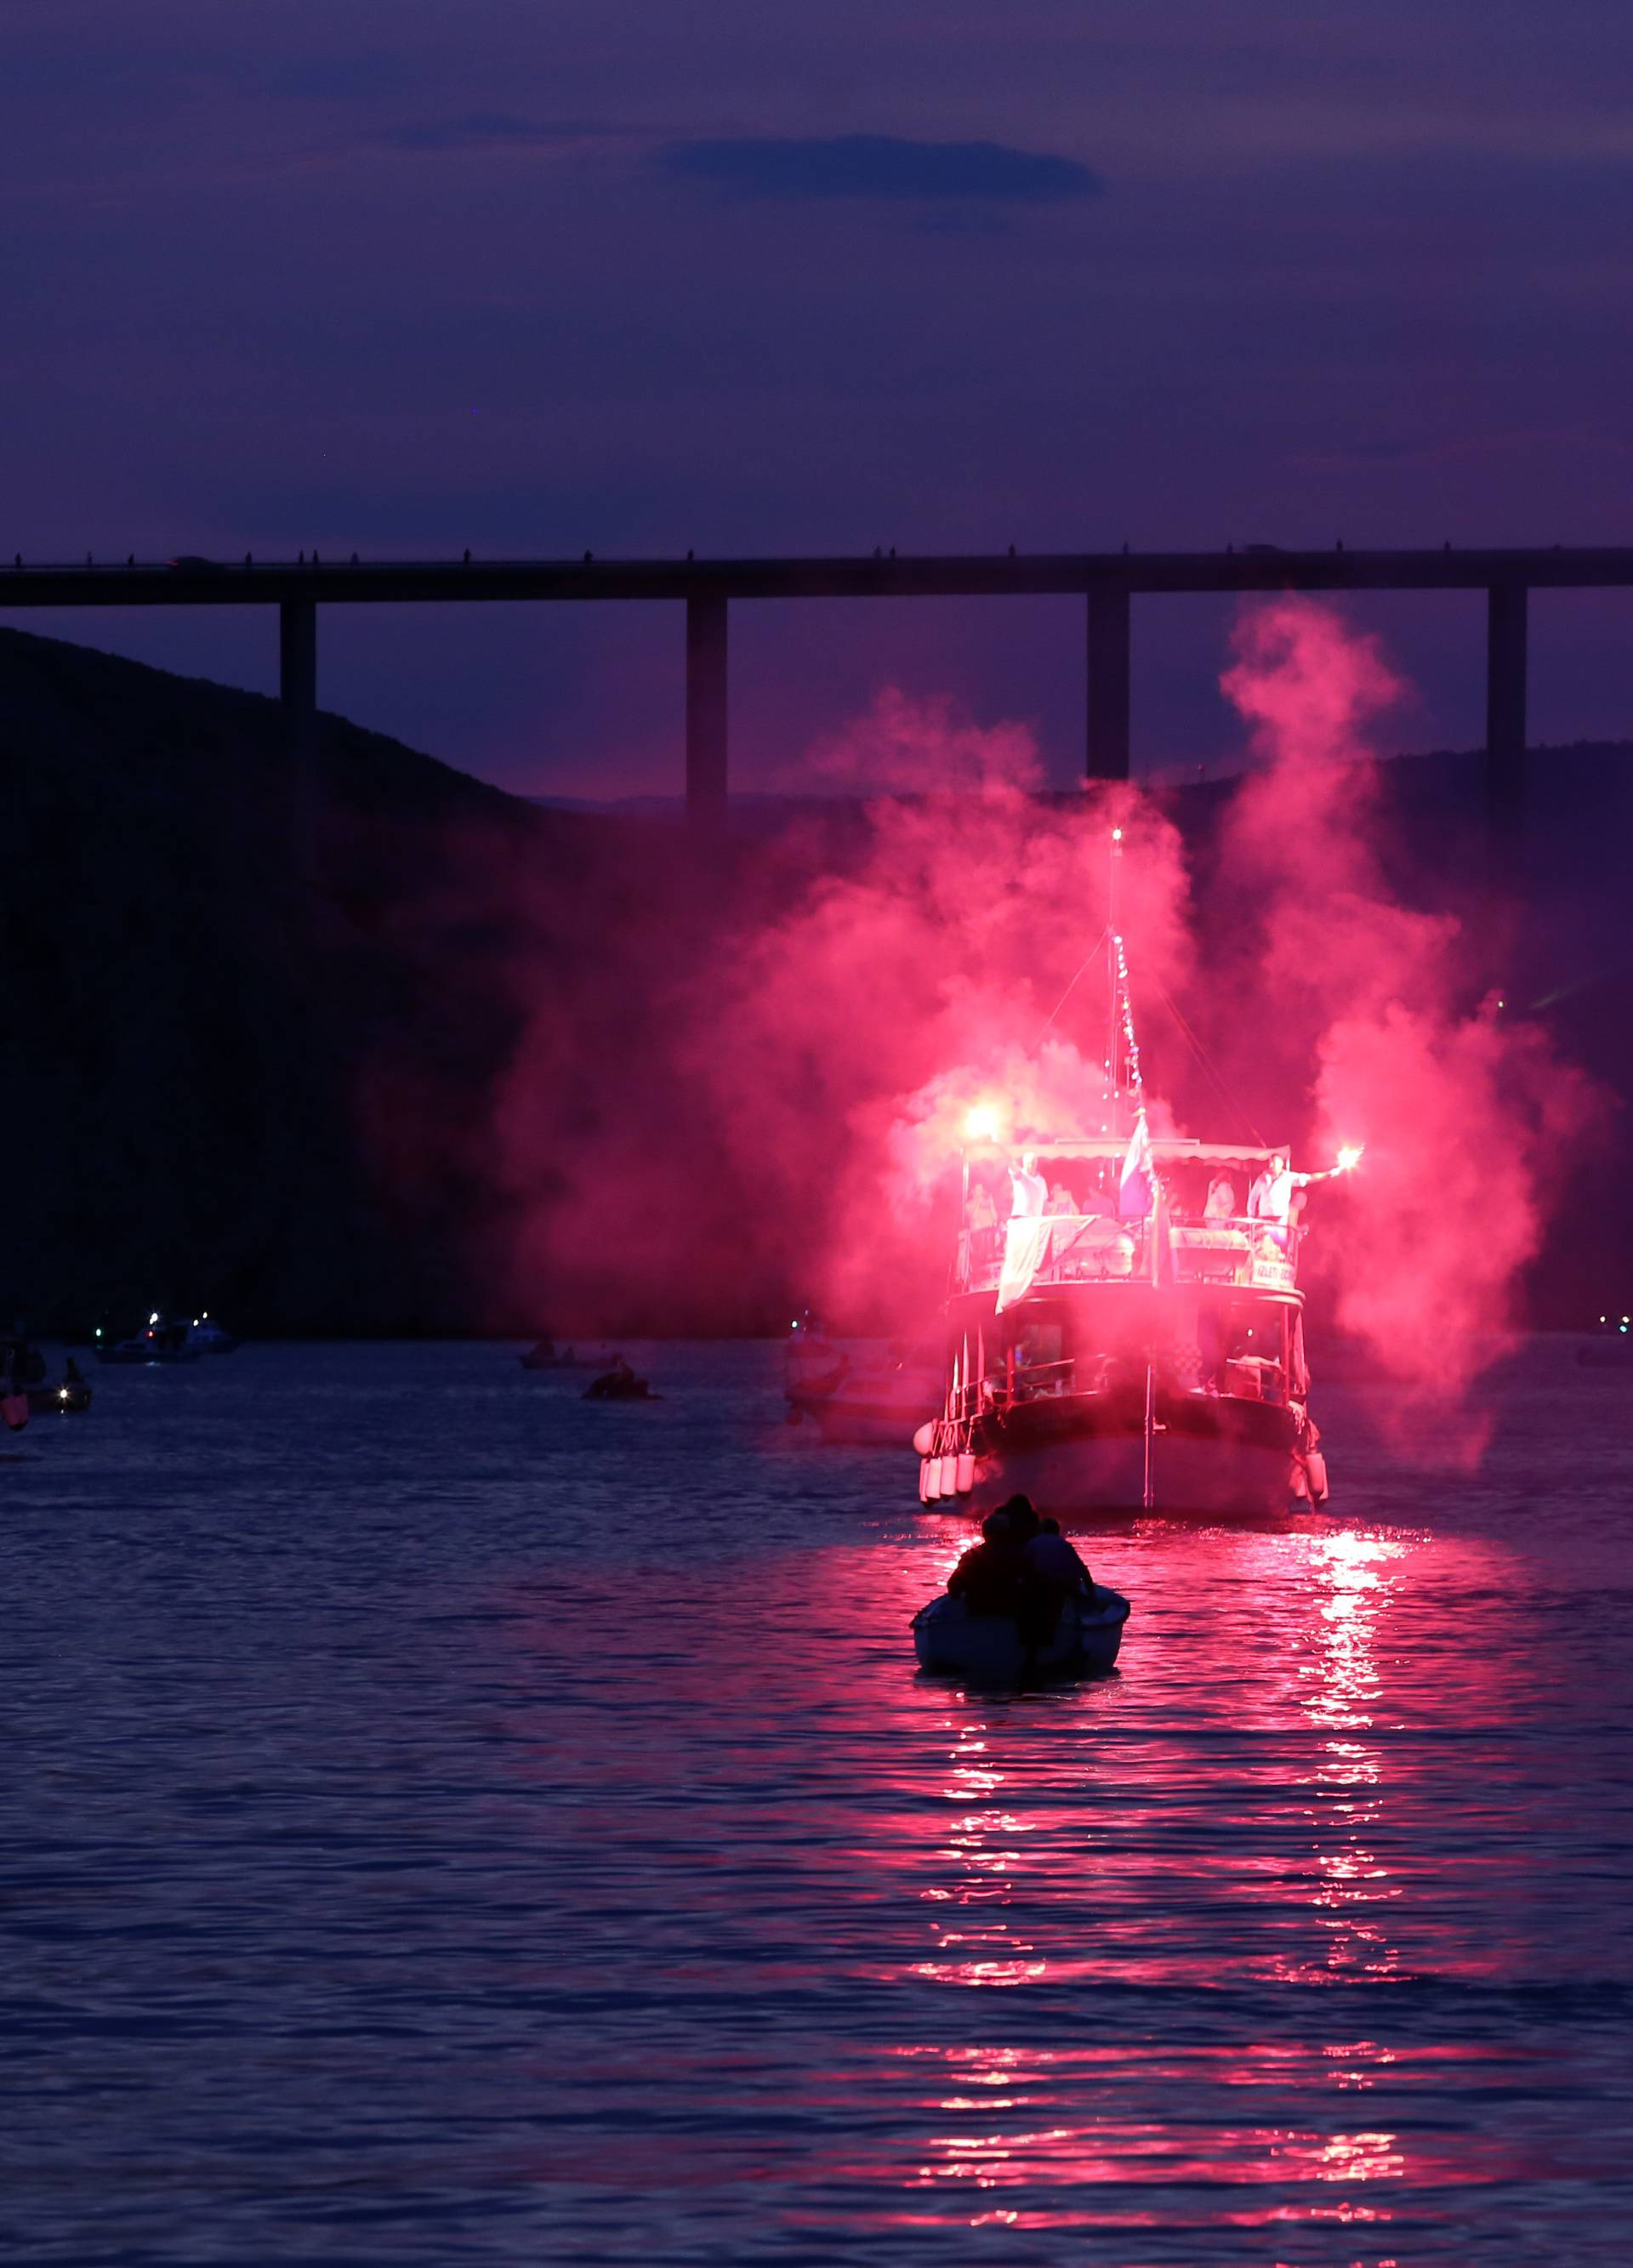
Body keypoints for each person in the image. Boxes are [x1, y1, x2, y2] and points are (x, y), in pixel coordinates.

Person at [947, 1510, 1027, 1616]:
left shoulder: (971, 1556)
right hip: (1010, 1612)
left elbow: (954, 1587)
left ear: (984, 1533)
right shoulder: (1020, 1555)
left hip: (979, 1611)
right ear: (1006, 1532)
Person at [1025, 1515, 1094, 1596]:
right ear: (1057, 1531)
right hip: (1066, 1586)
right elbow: (1084, 1572)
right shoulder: (1065, 1544)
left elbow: (1023, 1565)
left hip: (1044, 1586)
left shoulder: (1033, 1543)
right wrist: (1091, 1596)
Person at [1008, 1151, 1047, 1219]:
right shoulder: (1021, 1175)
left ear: (1036, 1164)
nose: (1031, 1166)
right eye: (1029, 1163)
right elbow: (1012, 1164)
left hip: (1036, 1219)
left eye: (1034, 1163)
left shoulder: (1041, 1181)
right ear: (1024, 1163)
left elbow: (1044, 1200)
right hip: (1021, 1217)